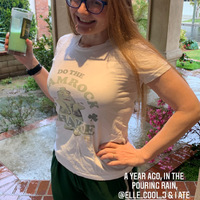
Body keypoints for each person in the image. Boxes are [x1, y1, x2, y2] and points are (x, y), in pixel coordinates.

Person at [5, 0, 200, 199]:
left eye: (95, 2)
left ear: (118, 7)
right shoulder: (65, 43)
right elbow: (61, 99)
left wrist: (145, 154)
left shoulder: (134, 52)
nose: (81, 10)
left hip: (108, 177)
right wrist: (30, 62)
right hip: (63, 165)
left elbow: (190, 108)